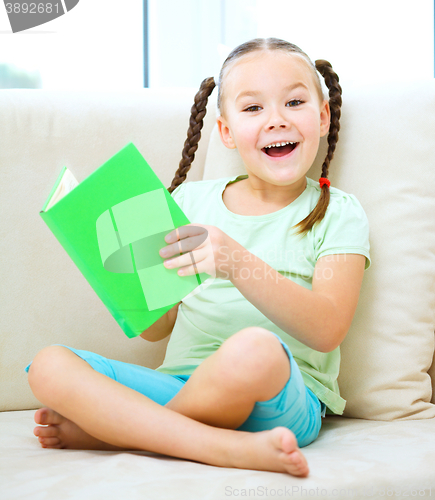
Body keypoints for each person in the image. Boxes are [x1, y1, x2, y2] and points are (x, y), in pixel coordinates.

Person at [26, 38, 370, 478]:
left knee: (253, 349)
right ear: (225, 131)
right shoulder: (190, 200)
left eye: (295, 102)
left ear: (321, 117)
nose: (276, 120)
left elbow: (326, 329)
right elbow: (158, 329)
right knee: (48, 365)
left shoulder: (339, 211)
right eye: (253, 109)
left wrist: (233, 261)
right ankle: (214, 443)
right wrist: (119, 279)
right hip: (178, 383)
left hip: (280, 393)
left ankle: (121, 432)